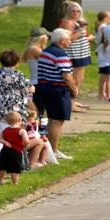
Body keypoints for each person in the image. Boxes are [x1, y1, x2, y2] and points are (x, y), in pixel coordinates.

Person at [0, 50, 36, 176]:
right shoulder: (17, 75)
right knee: (13, 138)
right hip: (11, 110)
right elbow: (30, 88)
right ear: (16, 62)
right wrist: (30, 89)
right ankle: (12, 165)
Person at [33, 29, 77, 160]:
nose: (70, 41)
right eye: (69, 39)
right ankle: (54, 150)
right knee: (57, 120)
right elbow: (66, 76)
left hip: (44, 88)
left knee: (51, 119)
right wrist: (74, 90)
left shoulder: (45, 52)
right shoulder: (61, 55)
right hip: (57, 90)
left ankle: (49, 149)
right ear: (62, 40)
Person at [0, 109, 33, 184]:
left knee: (2, 167)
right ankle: (15, 183)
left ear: (7, 122)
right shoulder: (22, 131)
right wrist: (25, 147)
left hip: (5, 151)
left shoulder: (5, 130)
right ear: (20, 120)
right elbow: (27, 141)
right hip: (16, 152)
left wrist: (5, 142)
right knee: (15, 169)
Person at [94, 11, 110, 102]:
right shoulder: (104, 27)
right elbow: (106, 39)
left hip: (102, 54)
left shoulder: (101, 26)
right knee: (107, 76)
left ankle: (103, 93)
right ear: (105, 18)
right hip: (105, 54)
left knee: (104, 76)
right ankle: (106, 93)